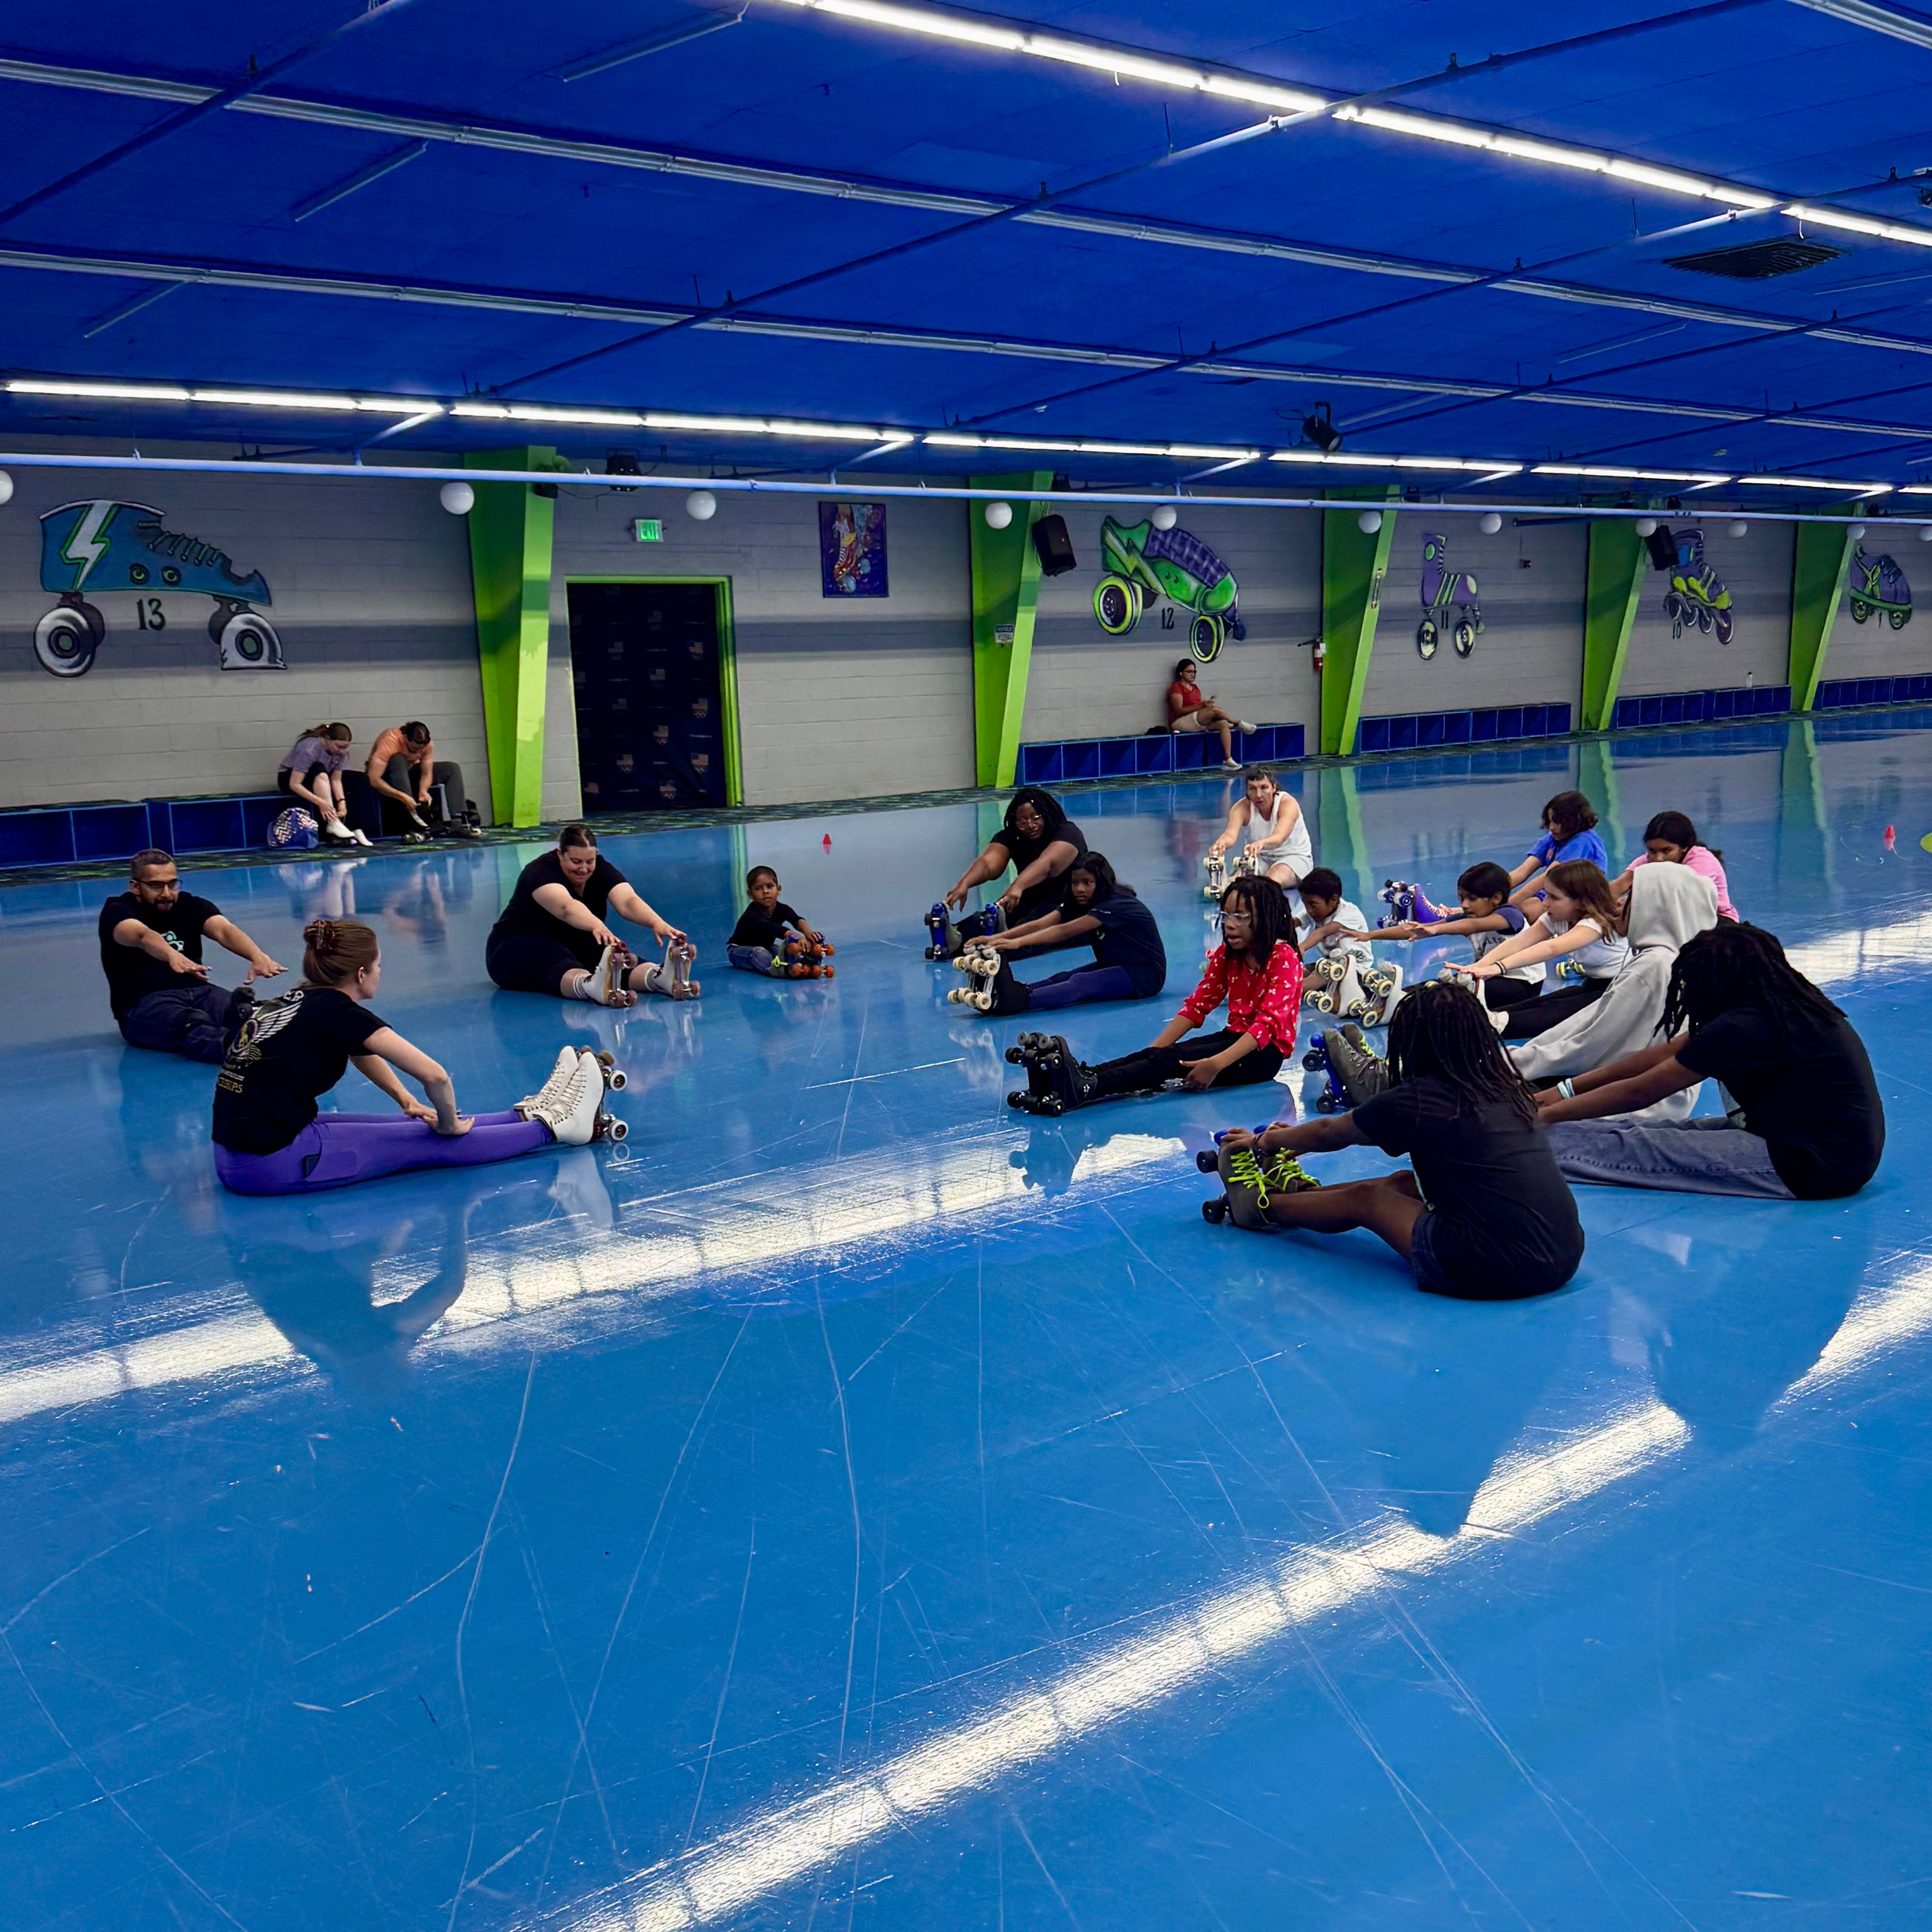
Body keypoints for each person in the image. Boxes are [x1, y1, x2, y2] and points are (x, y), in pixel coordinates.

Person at [1212, 979, 1585, 1301]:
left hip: (1495, 1267)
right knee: (1404, 1183)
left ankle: (1260, 1207)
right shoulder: (1503, 1087)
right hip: (1564, 1254)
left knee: (1369, 1200)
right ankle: (1301, 1198)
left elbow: (1331, 1132)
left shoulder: (1417, 1100)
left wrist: (1264, 1144)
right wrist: (1290, 1141)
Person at [213, 919, 610, 1195]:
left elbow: (360, 1050)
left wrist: (405, 1100)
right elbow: (435, 1075)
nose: (380, 972)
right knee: (434, 1142)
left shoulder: (299, 999)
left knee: (409, 1124)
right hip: (270, 1162)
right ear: (362, 973)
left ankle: (525, 1114)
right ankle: (555, 1128)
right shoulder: (338, 1011)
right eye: (379, 966)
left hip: (239, 1153)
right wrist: (449, 1125)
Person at [1537, 923, 1884, 1201]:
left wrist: (1541, 1117)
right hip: (1820, 1149)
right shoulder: (1781, 1004)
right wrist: (1561, 1092)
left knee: (1629, 1146)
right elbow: (1660, 1055)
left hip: (1810, 1165)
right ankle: (1532, 1135)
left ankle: (1519, 1146)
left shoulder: (1746, 1026)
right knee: (1637, 1130)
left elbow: (1640, 1092)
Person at [1012, 874, 1299, 1108]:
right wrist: (1153, 1049)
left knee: (1168, 1062)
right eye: (1226, 915)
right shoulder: (1227, 954)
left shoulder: (1283, 958)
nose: (1229, 924)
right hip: (1233, 1037)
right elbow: (1197, 1006)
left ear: (1265, 918)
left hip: (1263, 1055)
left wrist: (1215, 1065)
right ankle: (1083, 1076)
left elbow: (1267, 1026)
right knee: (1157, 1055)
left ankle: (1090, 1087)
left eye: (1241, 917)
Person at [1510, 864, 1718, 1120]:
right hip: (1654, 1091)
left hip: (1633, 1098)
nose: (1619, 903)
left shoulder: (1653, 966)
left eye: (1630, 898)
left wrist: (1517, 1062)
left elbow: (1590, 1043)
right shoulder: (1679, 959)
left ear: (1653, 906)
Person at [99, 849, 287, 1063]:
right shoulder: (117, 911)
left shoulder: (190, 905)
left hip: (199, 991)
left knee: (243, 1012)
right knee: (192, 1024)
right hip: (143, 1002)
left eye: (172, 884)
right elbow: (143, 936)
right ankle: (246, 1051)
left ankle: (286, 1043)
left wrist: (257, 955)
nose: (166, 893)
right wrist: (171, 954)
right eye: (156, 886)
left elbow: (223, 930)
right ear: (135, 887)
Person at [487, 823, 697, 1003]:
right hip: (514, 948)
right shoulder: (540, 872)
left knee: (612, 960)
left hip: (571, 943)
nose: (584, 869)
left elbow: (627, 901)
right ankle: (590, 986)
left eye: (590, 861)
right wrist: (596, 925)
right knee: (553, 956)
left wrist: (656, 922)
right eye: (576, 862)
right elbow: (566, 908)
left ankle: (659, 978)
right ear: (560, 855)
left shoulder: (600, 870)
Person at [956, 852, 1166, 1014]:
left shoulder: (1116, 904)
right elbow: (1041, 924)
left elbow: (1064, 931)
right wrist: (995, 938)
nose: (1079, 889)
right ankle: (1012, 992)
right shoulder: (1082, 900)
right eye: (1075, 883)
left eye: (1087, 883)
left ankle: (1019, 1001)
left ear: (1101, 882)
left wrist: (1017, 943)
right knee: (1064, 977)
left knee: (1080, 984)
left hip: (1144, 974)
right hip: (1116, 963)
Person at [1449, 859, 1628, 1040]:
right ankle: (1482, 1021)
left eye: (1554, 897)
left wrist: (1499, 967)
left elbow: (1552, 948)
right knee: (1538, 1003)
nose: (1545, 903)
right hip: (1595, 984)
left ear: (1581, 902)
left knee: (1556, 1010)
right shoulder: (1557, 918)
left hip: (1624, 989)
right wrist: (1478, 967)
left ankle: (1494, 1025)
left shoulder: (1594, 924)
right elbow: (1520, 941)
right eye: (1547, 895)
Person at [1375, 861, 1545, 1010]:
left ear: (1496, 898)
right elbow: (1415, 929)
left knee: (1453, 995)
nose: (1464, 905)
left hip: (1522, 984)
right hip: (1486, 975)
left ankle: (1406, 1006)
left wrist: (1436, 929)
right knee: (1435, 987)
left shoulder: (1510, 915)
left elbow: (1473, 926)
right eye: (1462, 898)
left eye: (1472, 899)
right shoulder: (1469, 916)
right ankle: (1397, 997)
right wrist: (1368, 936)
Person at [940, 787, 1087, 946]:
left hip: (1067, 898)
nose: (1030, 825)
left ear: (1047, 814)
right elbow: (987, 864)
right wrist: (965, 884)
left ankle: (1003, 944)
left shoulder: (1068, 833)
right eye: (1022, 821)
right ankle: (957, 937)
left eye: (1036, 818)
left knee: (1034, 923)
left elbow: (1048, 864)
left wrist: (1018, 886)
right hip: (1032, 896)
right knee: (996, 914)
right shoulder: (1013, 836)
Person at [347, 721, 475, 840]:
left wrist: (423, 791)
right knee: (398, 759)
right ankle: (413, 817)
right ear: (405, 738)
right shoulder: (390, 740)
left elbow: (426, 772)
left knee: (451, 768)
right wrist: (404, 797)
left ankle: (457, 823)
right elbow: (373, 780)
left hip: (407, 773)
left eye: (420, 749)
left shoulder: (427, 745)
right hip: (385, 777)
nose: (417, 752)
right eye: (414, 748)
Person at [1608, 810, 1736, 921]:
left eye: (1666, 851)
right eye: (1652, 851)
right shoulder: (1648, 859)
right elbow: (1620, 884)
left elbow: (1679, 901)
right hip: (1678, 921)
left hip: (1717, 922)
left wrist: (1629, 905)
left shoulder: (1702, 861)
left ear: (1684, 847)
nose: (1658, 859)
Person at [1208, 766, 1313, 889]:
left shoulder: (1287, 804)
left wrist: (1261, 843)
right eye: (1252, 789)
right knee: (1238, 883)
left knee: (1270, 881)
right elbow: (1230, 835)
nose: (1258, 795)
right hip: (1260, 858)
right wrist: (1221, 844)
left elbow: (1279, 837)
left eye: (1264, 788)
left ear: (1274, 787)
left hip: (1293, 856)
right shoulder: (1241, 808)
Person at [1507, 789, 1607, 909]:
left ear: (1573, 821)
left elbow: (1548, 877)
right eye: (1549, 822)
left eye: (1557, 822)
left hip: (1580, 899)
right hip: (1553, 894)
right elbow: (1522, 871)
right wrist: (1494, 892)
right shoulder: (1553, 838)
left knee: (1520, 911)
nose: (1551, 827)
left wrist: (1509, 904)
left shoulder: (1583, 841)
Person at [277, 723, 369, 846]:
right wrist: (321, 803)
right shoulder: (309, 749)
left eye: (346, 747)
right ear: (327, 740)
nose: (342, 751)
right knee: (319, 769)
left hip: (322, 777)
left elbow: (336, 780)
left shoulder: (343, 753)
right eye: (339, 747)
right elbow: (294, 784)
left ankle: (357, 827)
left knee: (361, 780)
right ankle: (333, 822)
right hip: (290, 778)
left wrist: (342, 802)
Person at [729, 866, 830, 974]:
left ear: (778, 889)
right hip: (739, 951)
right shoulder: (752, 915)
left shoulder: (782, 909)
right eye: (758, 889)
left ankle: (803, 966)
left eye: (770, 887)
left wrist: (808, 933)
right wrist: (797, 938)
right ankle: (775, 970)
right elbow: (773, 928)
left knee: (780, 951)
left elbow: (796, 920)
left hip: (766, 947)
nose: (765, 891)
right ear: (750, 894)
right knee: (759, 953)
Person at [1166, 659, 1253, 769]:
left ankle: (1228, 760)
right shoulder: (1176, 688)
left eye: (1194, 672)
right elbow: (1179, 711)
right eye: (1189, 672)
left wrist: (1205, 705)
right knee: (1214, 711)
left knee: (1223, 724)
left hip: (1195, 720)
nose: (1192, 674)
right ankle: (1238, 723)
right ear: (1181, 673)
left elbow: (1197, 706)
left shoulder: (1195, 688)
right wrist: (1202, 706)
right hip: (1179, 722)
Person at [1296, 868, 1375, 977]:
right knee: (1300, 972)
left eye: (1312, 904)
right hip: (1330, 964)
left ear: (1334, 899)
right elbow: (1293, 922)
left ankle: (1294, 988)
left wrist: (1301, 948)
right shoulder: (1315, 911)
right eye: (1305, 904)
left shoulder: (1349, 913)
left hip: (1356, 969)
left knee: (1319, 977)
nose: (1309, 910)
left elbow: (1322, 932)